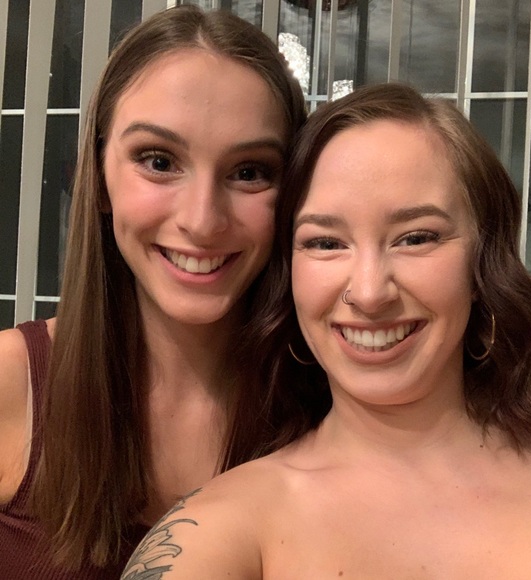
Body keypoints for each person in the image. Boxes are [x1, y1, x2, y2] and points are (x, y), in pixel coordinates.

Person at [122, 82, 531, 579]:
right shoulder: (223, 528)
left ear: (483, 263)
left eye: (415, 238)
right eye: (325, 243)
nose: (368, 293)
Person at [0, 5, 307, 577]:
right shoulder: (11, 384)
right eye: (159, 161)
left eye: (249, 172)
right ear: (98, 178)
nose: (202, 221)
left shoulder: (329, 411)